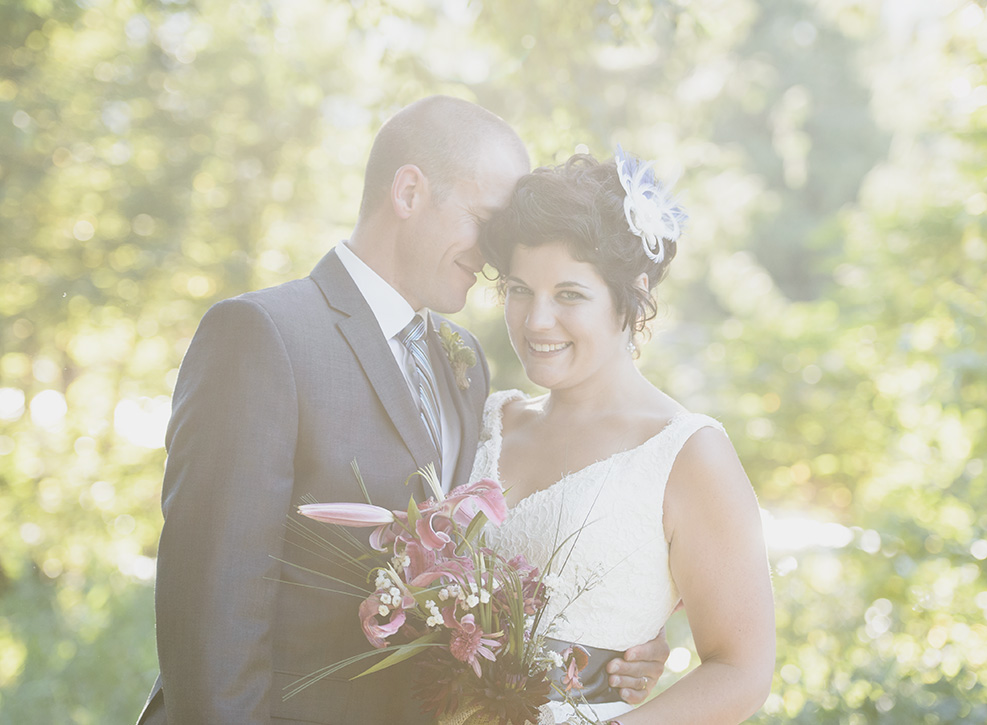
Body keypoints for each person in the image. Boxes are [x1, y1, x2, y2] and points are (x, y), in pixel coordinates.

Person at [135, 96, 668, 725]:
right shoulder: (262, 335)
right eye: (486, 220)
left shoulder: (462, 362)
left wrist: (607, 652)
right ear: (409, 191)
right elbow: (208, 612)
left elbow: (471, 579)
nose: (500, 255)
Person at [473, 151, 776, 724]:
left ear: (631, 295)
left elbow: (741, 671)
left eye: (569, 294)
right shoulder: (489, 420)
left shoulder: (687, 453)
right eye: (519, 290)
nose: (536, 321)